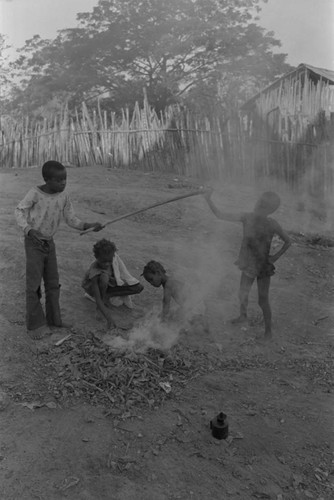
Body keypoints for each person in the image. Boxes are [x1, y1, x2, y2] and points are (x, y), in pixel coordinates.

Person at [15, 160, 103, 340]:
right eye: (58, 180)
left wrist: (88, 225)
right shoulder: (35, 193)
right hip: (34, 244)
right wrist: (29, 230)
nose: (63, 183)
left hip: (49, 243)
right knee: (33, 286)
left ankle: (55, 320)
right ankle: (36, 326)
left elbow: (71, 219)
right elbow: (19, 211)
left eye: (65, 179)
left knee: (53, 283)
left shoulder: (64, 196)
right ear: (47, 180)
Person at [204, 189, 291, 339]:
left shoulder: (268, 223)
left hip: (263, 266)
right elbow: (220, 215)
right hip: (249, 263)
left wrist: (274, 258)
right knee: (242, 293)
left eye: (261, 204)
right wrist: (208, 199)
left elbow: (288, 241)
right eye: (259, 202)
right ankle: (243, 316)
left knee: (262, 300)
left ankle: (268, 331)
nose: (257, 205)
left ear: (267, 209)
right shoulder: (248, 218)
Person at [82, 239, 144, 329]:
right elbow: (98, 300)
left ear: (113, 256)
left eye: (109, 261)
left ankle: (107, 295)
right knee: (104, 278)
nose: (107, 264)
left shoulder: (114, 258)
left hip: (110, 283)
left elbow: (124, 275)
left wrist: (120, 282)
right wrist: (108, 317)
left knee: (138, 287)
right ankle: (103, 296)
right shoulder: (94, 271)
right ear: (96, 257)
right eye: (104, 261)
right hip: (96, 287)